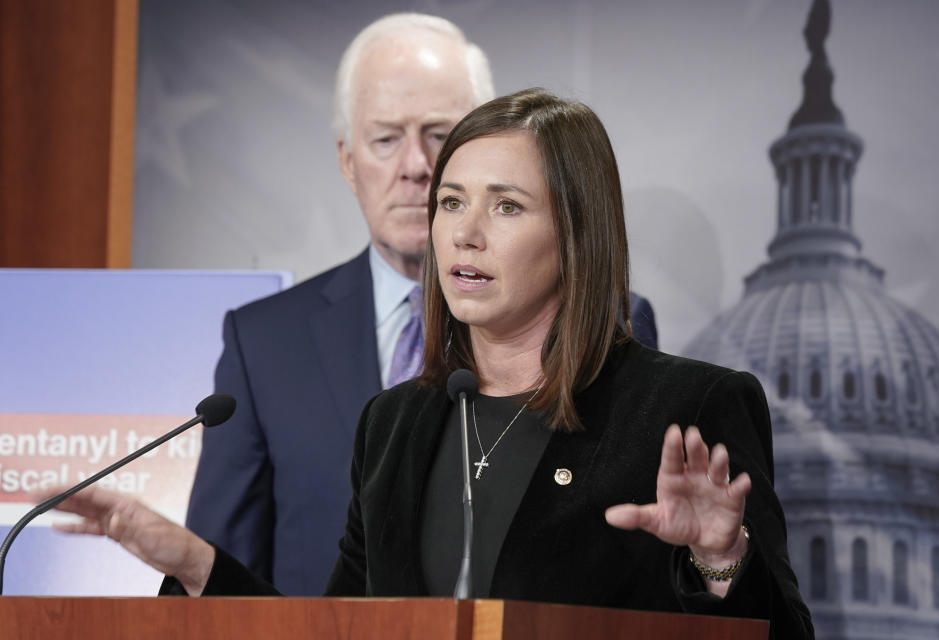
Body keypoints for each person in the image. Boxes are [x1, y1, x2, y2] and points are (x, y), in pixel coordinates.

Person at [40, 89, 808, 637]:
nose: (464, 234)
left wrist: (719, 560)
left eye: (506, 206)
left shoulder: (689, 409)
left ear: (578, 235)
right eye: (451, 203)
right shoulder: (397, 422)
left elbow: (782, 633)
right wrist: (197, 563)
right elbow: (339, 630)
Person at [184, 14, 659, 596]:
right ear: (346, 159)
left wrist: (718, 564)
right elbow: (243, 579)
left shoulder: (624, 331)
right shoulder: (264, 344)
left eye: (441, 135)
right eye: (386, 138)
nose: (417, 168)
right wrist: (193, 569)